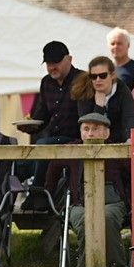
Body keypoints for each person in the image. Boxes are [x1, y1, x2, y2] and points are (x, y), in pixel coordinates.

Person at [44, 113, 131, 267]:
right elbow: (54, 165)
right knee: (87, 221)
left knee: (106, 218)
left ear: (106, 133)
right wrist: (48, 192)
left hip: (113, 203)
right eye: (86, 129)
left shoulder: (117, 151)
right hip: (80, 205)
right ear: (80, 132)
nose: (90, 134)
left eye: (96, 129)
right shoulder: (72, 150)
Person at [24, 40, 82, 184]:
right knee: (17, 161)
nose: (52, 67)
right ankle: (5, 199)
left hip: (77, 140)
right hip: (53, 139)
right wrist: (30, 126)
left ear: (69, 59)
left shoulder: (82, 80)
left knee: (42, 146)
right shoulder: (46, 82)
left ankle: (37, 193)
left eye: (56, 62)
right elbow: (42, 115)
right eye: (48, 64)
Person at [73, 55, 134, 143]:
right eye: (93, 76)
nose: (98, 80)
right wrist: (99, 106)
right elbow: (88, 127)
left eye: (103, 75)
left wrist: (130, 138)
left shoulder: (122, 90)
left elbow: (129, 117)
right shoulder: (84, 92)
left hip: (119, 140)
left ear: (113, 75)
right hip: (92, 142)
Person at [107, 27, 134, 91]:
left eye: (119, 43)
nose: (115, 47)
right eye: (112, 44)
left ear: (128, 45)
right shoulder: (105, 70)